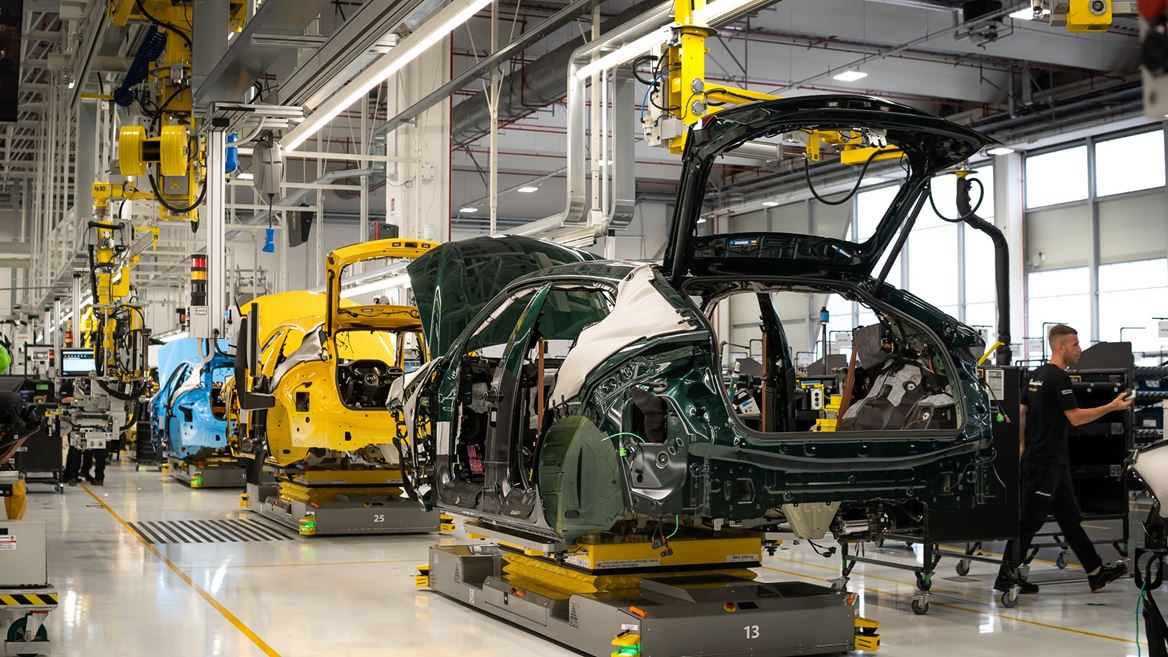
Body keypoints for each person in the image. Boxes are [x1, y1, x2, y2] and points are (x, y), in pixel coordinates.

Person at [995, 324, 1134, 594]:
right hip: (1045, 464)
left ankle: (1095, 572)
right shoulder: (1058, 378)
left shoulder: (1036, 375)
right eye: (1075, 345)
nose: (1079, 350)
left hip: (1053, 463)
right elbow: (1075, 418)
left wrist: (1024, 444)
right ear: (1060, 347)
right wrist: (1111, 407)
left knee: (1070, 520)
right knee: (1029, 522)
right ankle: (1005, 576)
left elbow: (1022, 411)